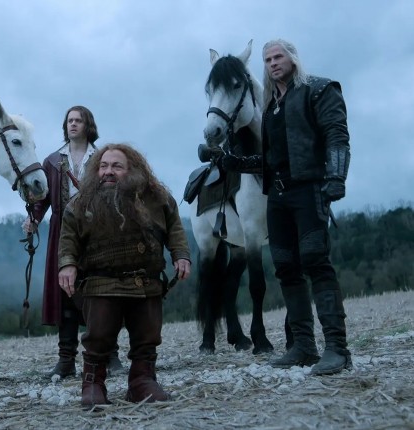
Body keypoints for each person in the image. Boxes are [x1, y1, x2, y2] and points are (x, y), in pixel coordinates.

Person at [220, 39, 352, 375]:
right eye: (267, 59)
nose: (273, 63)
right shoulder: (270, 106)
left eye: (278, 56)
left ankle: (337, 348)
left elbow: (337, 135)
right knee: (286, 267)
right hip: (278, 196)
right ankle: (304, 346)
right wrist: (237, 163)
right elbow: (271, 159)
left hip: (309, 190)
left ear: (293, 58)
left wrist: (336, 178)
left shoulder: (319, 90)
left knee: (316, 262)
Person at [58, 143, 191, 407]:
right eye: (103, 166)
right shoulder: (81, 203)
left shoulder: (156, 198)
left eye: (117, 166)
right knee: (98, 337)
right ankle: (93, 383)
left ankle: (142, 382)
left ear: (133, 171)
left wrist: (181, 254)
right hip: (101, 283)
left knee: (147, 336)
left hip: (146, 283)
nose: (108, 171)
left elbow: (174, 226)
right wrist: (67, 264)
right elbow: (68, 236)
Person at [24, 106, 123, 379]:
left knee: (102, 290)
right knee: (65, 294)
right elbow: (42, 198)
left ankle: (110, 355)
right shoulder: (52, 161)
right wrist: (33, 219)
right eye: (70, 120)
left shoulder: (102, 159)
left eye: (78, 120)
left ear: (88, 125)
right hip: (61, 233)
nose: (73, 124)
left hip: (98, 232)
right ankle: (66, 360)